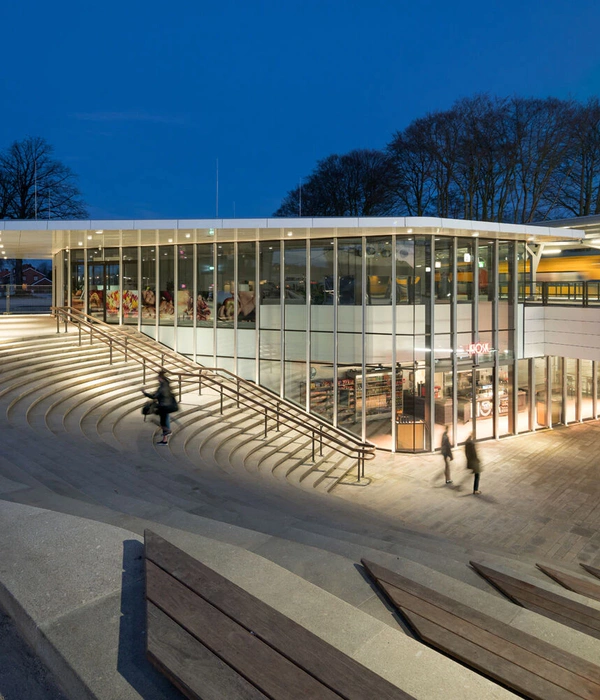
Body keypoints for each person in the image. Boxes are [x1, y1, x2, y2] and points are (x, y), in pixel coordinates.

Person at [143, 370, 177, 444]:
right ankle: (165, 439)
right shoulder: (166, 384)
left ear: (160, 378)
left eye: (158, 378)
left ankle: (167, 432)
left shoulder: (162, 387)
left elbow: (154, 396)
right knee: (164, 421)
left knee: (162, 422)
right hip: (168, 405)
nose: (157, 379)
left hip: (164, 406)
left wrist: (145, 394)